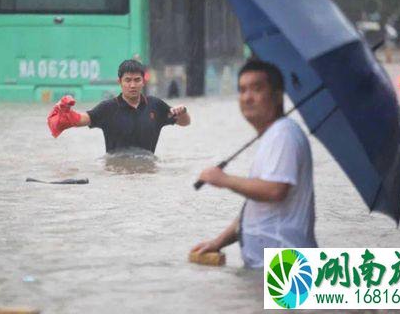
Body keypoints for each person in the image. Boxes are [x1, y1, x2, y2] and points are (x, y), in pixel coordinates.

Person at [190, 60, 316, 268]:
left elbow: (275, 191)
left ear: (276, 96)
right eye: (242, 90)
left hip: (287, 269)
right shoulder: (272, 136)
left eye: (257, 89)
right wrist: (218, 242)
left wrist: (224, 180)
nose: (247, 97)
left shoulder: (283, 134)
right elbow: (257, 208)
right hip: (268, 268)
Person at [48, 59, 190, 153]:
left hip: (148, 173)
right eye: (127, 80)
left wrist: (183, 112)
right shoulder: (108, 108)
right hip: (116, 173)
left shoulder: (155, 105)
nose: (132, 85)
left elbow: (185, 123)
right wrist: (65, 112)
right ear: (119, 82)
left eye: (137, 80)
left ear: (143, 82)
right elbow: (81, 119)